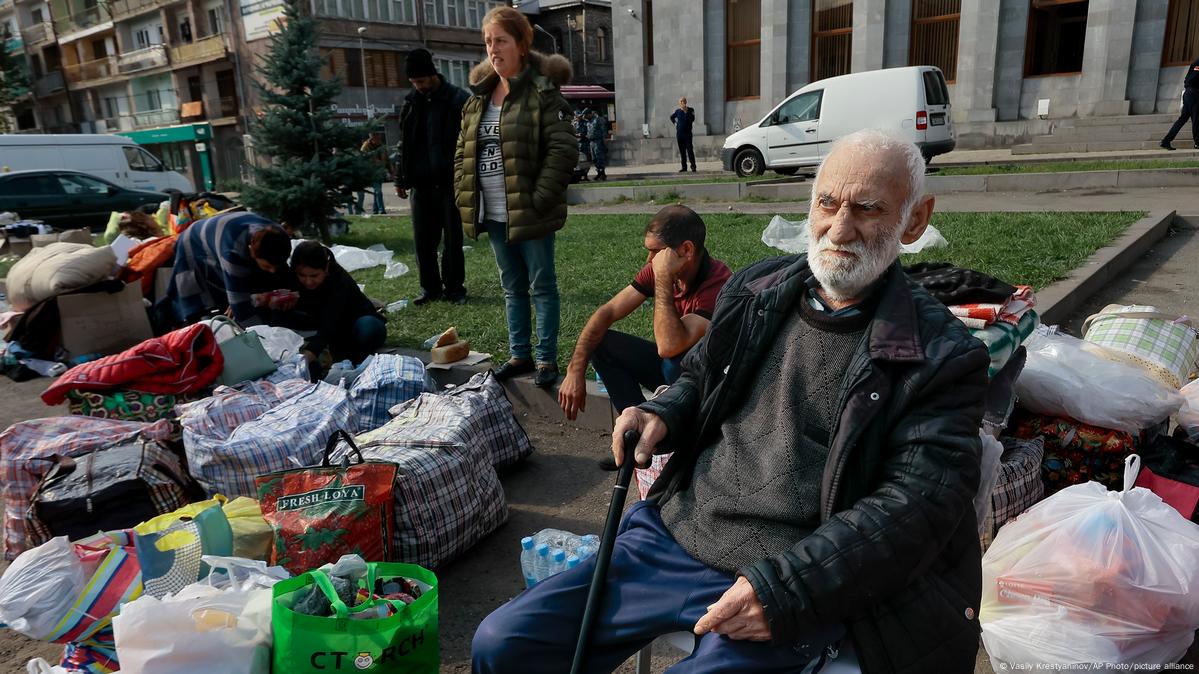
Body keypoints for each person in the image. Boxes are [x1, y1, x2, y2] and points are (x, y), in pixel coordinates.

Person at [472, 129, 991, 674]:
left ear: (915, 219)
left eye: (868, 209)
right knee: (503, 643)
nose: (840, 228)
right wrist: (662, 412)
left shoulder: (943, 356)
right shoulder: (757, 291)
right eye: (827, 202)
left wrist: (787, 589)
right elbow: (699, 376)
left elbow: (914, 508)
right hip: (677, 533)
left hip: (789, 571)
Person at [455, 6, 577, 388]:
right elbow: (462, 151)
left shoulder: (542, 92)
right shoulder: (478, 98)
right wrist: (465, 191)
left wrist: (540, 197)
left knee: (541, 285)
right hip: (492, 211)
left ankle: (544, 359)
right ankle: (519, 354)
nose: (493, 49)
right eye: (488, 42)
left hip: (530, 210)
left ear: (522, 45)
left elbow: (563, 150)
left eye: (501, 41)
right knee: (512, 287)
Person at [557, 204, 731, 466]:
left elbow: (669, 346)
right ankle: (635, 436)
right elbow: (606, 312)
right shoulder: (660, 268)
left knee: (674, 361)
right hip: (674, 368)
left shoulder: (719, 283)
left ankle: (679, 445)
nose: (650, 261)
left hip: (703, 383)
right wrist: (574, 369)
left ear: (685, 250)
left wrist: (662, 277)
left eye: (656, 252)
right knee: (602, 343)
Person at [394, 48, 471, 306]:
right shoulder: (410, 103)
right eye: (415, 83)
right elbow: (404, 144)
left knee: (452, 240)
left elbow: (470, 143)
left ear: (433, 74)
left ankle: (454, 288)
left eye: (423, 81)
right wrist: (400, 178)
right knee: (423, 243)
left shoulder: (457, 99)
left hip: (451, 183)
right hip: (420, 186)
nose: (420, 86)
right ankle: (430, 288)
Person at [164, 211, 292, 327]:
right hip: (194, 242)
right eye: (267, 266)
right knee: (200, 299)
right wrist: (260, 337)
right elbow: (240, 307)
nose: (272, 271)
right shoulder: (232, 252)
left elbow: (282, 276)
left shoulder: (279, 237)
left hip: (229, 228)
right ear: (252, 253)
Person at [288, 241, 387, 367]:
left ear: (326, 268)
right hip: (323, 324)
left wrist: (310, 354)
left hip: (354, 322)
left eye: (314, 275)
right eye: (302, 275)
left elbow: (332, 318)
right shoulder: (292, 277)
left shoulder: (338, 280)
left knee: (369, 329)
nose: (308, 281)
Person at [1160, 55, 1199, 151]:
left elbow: (1187, 79)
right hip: (1193, 94)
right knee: (1196, 119)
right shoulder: (1198, 63)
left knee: (1182, 120)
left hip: (1190, 94)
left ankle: (1166, 141)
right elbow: (1191, 79)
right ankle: (1197, 143)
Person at [356, 132, 388, 215]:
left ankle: (375, 209)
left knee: (377, 192)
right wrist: (374, 161)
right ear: (372, 137)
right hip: (371, 172)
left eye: (379, 137)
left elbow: (386, 159)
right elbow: (362, 158)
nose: (378, 139)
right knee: (378, 191)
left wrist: (390, 170)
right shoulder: (365, 146)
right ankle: (381, 210)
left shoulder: (381, 145)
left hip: (380, 171)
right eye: (376, 137)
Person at [670, 96, 697, 172]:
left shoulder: (691, 110)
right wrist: (675, 123)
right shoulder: (677, 111)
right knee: (682, 151)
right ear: (679, 103)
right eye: (681, 102)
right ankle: (684, 167)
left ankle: (693, 166)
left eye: (684, 101)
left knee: (689, 150)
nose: (683, 103)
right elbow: (671, 117)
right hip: (679, 134)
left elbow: (692, 119)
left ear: (686, 102)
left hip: (688, 134)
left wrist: (686, 112)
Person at [585, 108, 609, 181]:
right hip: (591, 141)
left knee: (599, 158)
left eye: (586, 115)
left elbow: (603, 130)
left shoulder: (598, 120)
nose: (585, 117)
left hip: (598, 141)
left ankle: (602, 174)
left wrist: (604, 140)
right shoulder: (588, 122)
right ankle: (599, 172)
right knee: (594, 159)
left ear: (590, 114)